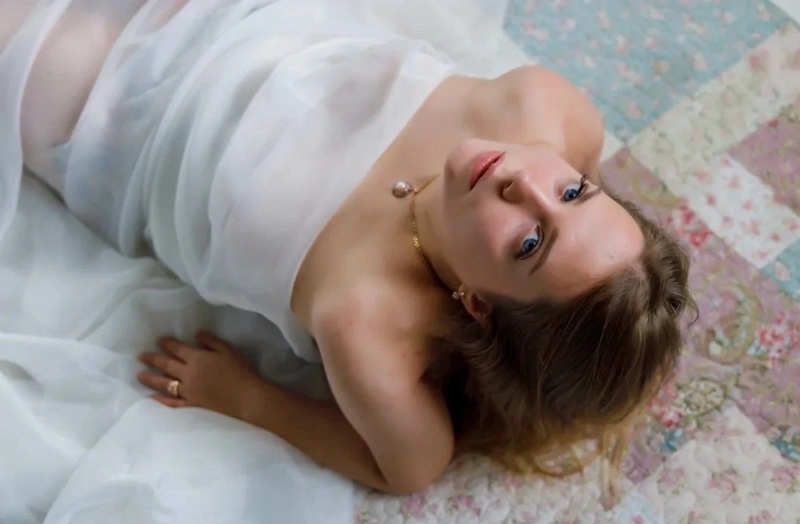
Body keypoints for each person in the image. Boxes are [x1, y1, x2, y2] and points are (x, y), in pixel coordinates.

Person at [1, 0, 694, 497]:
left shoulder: (372, 325)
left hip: (121, 113)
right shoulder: (545, 111)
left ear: (478, 304)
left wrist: (248, 399)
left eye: (531, 242)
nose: (524, 183)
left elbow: (409, 468)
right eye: (575, 192)